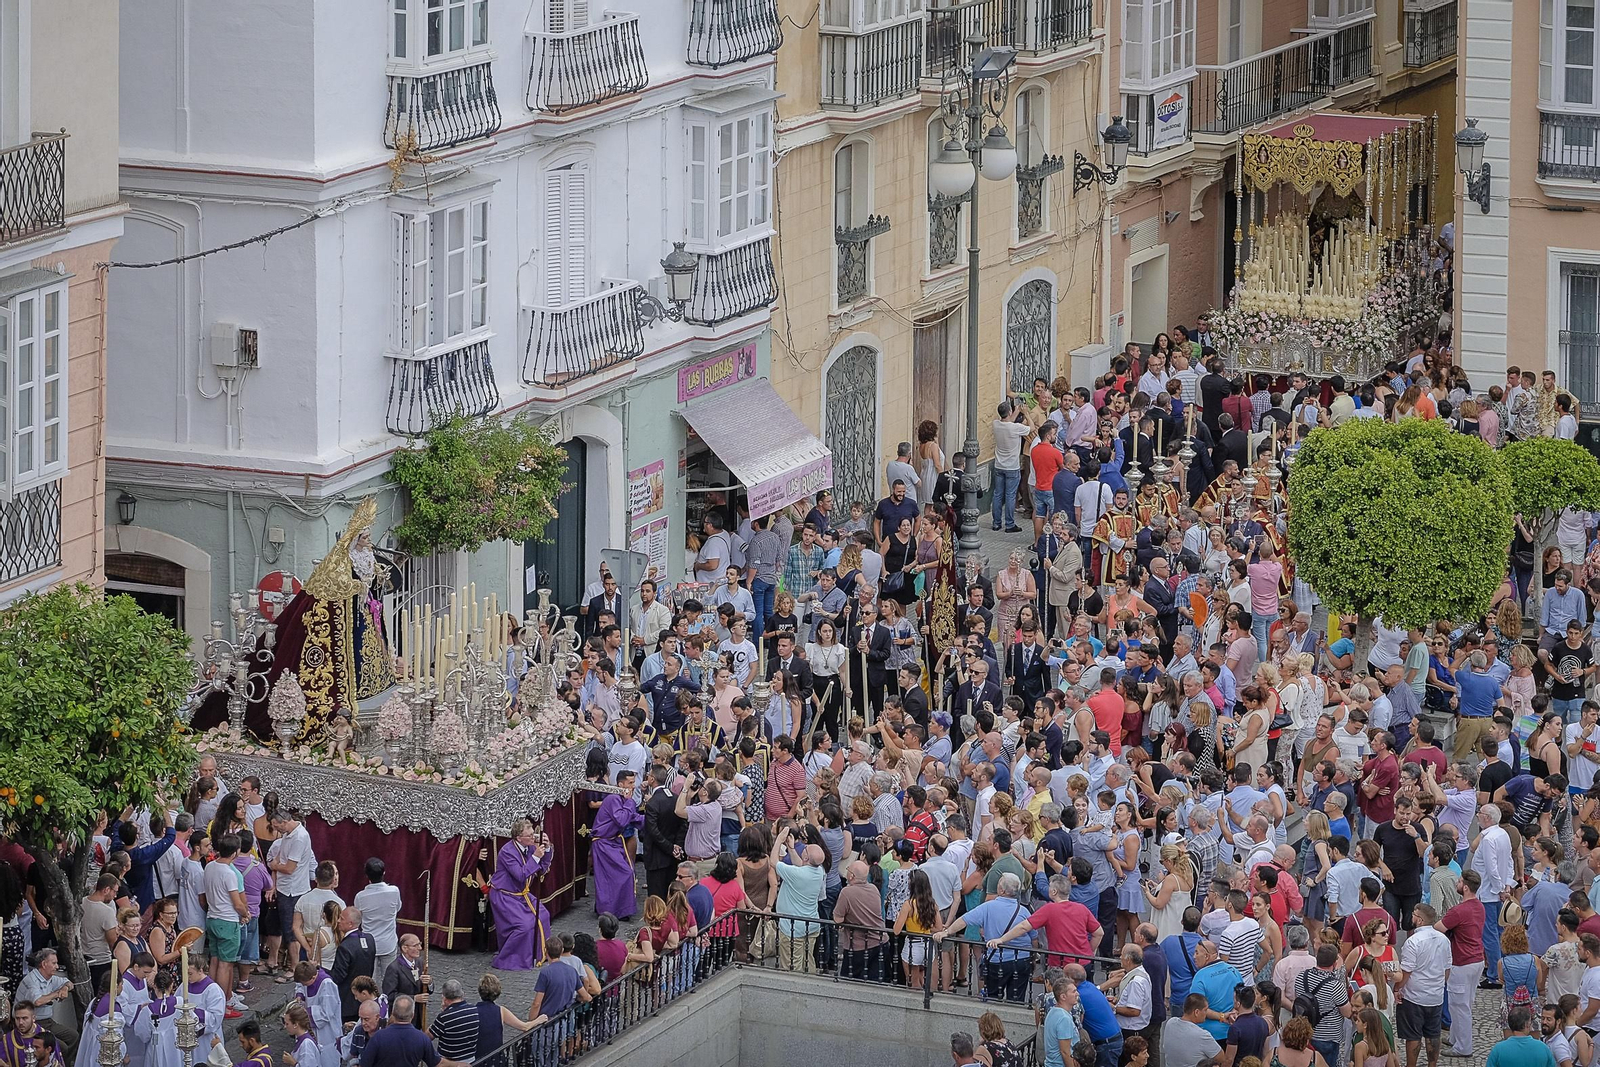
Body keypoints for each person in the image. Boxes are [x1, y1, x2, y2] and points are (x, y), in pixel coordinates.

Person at [488, 819, 553, 970]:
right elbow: (520, 875)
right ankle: (513, 959)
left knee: (543, 915)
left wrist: (547, 849)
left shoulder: (529, 847)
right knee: (524, 926)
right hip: (505, 897)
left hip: (521, 894)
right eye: (530, 836)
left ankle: (538, 954)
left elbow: (542, 869)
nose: (533, 838)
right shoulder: (507, 852)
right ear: (518, 838)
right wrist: (536, 856)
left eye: (533, 834)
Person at [591, 772, 645, 920]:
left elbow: (633, 818)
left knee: (615, 875)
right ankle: (615, 910)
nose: (633, 786)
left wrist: (653, 819)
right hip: (604, 843)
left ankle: (612, 908)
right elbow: (622, 820)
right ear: (621, 785)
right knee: (623, 873)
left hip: (613, 842)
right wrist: (629, 802)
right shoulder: (614, 799)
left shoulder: (622, 800)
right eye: (630, 783)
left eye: (634, 783)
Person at [353, 859, 402, 980]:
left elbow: (358, 916)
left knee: (370, 982)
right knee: (390, 980)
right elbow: (398, 908)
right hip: (388, 942)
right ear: (384, 873)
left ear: (366, 875)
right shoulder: (394, 891)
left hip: (369, 944)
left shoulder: (360, 896)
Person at [358, 996, 439, 1067]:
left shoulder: (378, 1037)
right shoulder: (422, 1039)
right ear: (412, 1015)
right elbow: (435, 1063)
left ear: (393, 1013)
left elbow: (365, 1064)